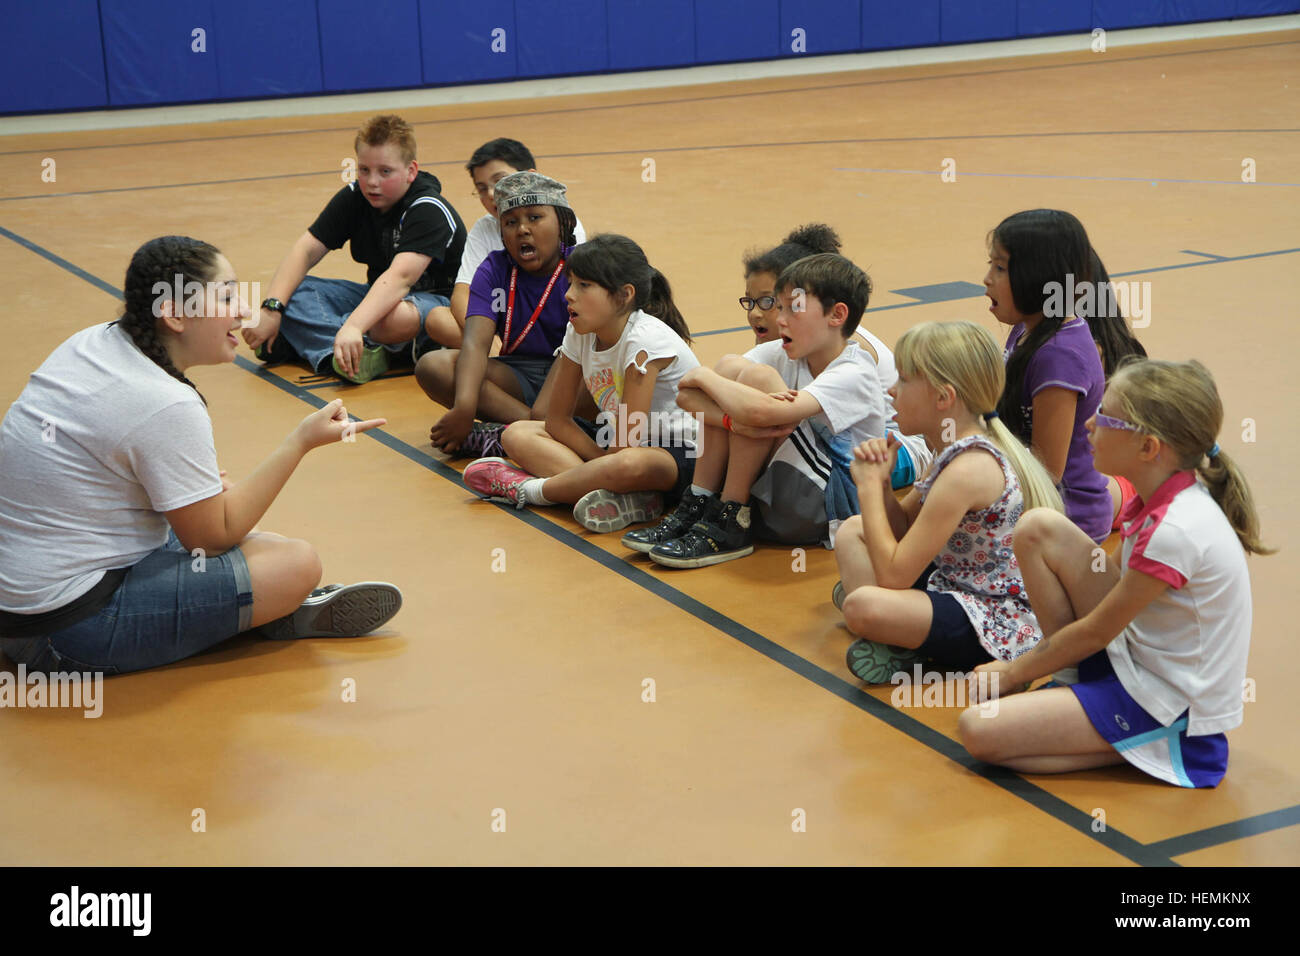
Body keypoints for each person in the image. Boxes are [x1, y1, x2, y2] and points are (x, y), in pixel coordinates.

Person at [0, 237, 401, 676]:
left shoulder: (95, 342)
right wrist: (299, 442)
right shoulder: (165, 402)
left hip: (19, 605)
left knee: (259, 539)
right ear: (173, 315)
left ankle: (253, 608)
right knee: (295, 563)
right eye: (226, 295)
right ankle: (272, 611)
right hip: (65, 632)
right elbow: (211, 538)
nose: (243, 310)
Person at [959, 359, 1270, 788]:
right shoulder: (1161, 497)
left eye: (1104, 416)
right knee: (1038, 529)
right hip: (1137, 660)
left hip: (1169, 706)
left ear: (1148, 448)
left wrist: (1014, 671)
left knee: (980, 730)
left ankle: (1148, 746)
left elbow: (1095, 631)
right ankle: (1075, 692)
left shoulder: (1177, 531)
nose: (1089, 424)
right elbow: (1104, 591)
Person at [831, 321, 1064, 683]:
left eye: (904, 380)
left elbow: (894, 577)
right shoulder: (953, 447)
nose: (892, 391)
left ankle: (898, 638)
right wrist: (880, 488)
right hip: (957, 583)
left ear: (943, 398)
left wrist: (867, 488)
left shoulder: (967, 470)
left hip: (998, 619)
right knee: (853, 531)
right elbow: (903, 528)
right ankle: (901, 632)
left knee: (862, 605)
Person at [628, 252, 884, 567]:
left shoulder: (855, 371)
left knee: (751, 380)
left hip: (828, 505)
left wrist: (707, 378)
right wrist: (731, 420)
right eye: (780, 306)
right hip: (779, 494)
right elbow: (686, 398)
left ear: (837, 315)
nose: (780, 319)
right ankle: (700, 501)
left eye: (795, 308)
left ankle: (733, 515)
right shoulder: (782, 352)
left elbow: (761, 414)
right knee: (731, 367)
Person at [462, 234, 698, 533]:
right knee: (517, 435)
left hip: (679, 453)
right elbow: (557, 420)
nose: (568, 294)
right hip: (615, 444)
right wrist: (601, 467)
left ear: (624, 295)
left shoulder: (644, 342)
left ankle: (530, 490)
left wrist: (607, 467)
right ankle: (625, 497)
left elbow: (627, 445)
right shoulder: (580, 332)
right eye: (570, 282)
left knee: (627, 465)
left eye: (584, 286)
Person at [242, 114, 467, 383]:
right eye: (364, 170)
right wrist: (272, 309)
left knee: (392, 318)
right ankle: (354, 352)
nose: (372, 182)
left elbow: (400, 279)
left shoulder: (428, 208)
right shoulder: (355, 197)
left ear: (411, 171)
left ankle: (326, 341)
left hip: (434, 305)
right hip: (378, 298)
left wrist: (353, 325)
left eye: (385, 171)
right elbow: (305, 251)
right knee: (294, 291)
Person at [985, 209, 1141, 543]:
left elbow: (1048, 470)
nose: (987, 278)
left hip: (1063, 518)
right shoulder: (1029, 330)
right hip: (1032, 499)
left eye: (999, 268)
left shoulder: (1059, 355)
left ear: (1036, 277)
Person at [741, 224, 930, 488]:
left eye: (769, 301)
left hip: (893, 446)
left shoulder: (849, 348)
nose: (756, 313)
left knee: (763, 414)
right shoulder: (792, 333)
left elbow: (772, 414)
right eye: (751, 302)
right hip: (832, 432)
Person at [419, 171, 584, 459]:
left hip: (576, 373)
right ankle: (540, 433)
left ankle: (515, 434)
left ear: (563, 222)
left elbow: (587, 352)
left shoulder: (581, 267)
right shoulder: (493, 269)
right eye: (510, 222)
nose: (522, 229)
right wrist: (464, 409)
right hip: (519, 371)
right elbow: (474, 344)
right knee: (434, 366)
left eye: (534, 217)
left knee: (596, 387)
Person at [447, 138, 588, 334]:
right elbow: (462, 294)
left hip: (551, 324)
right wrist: (492, 343)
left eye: (499, 181)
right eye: (481, 188)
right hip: (499, 327)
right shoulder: (484, 228)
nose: (491, 193)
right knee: (439, 319)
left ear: (532, 177)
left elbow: (580, 290)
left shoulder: (561, 222)